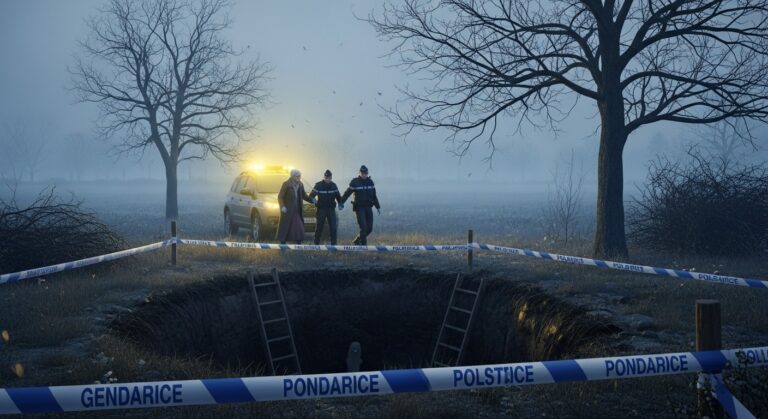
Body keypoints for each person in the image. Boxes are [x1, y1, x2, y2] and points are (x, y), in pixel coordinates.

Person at [340, 165, 380, 245]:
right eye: (362, 173)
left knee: (369, 228)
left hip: (368, 207)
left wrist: (378, 207)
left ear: (367, 173)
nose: (364, 175)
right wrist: (341, 202)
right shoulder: (354, 182)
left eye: (365, 173)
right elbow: (347, 193)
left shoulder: (370, 182)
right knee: (363, 227)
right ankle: (363, 246)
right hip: (359, 207)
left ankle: (357, 240)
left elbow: (374, 196)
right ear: (359, 173)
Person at [276, 169, 314, 244]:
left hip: (297, 209)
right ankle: (283, 243)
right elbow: (280, 197)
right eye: (297, 176)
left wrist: (312, 200)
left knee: (298, 225)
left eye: (300, 176)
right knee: (286, 226)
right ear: (293, 176)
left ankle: (298, 242)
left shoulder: (300, 184)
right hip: (288, 210)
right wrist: (282, 206)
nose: (299, 178)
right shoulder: (286, 184)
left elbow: (304, 195)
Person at [309, 169, 343, 245]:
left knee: (333, 227)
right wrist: (313, 200)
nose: (328, 179)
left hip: (331, 209)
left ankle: (334, 245)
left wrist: (341, 204)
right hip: (321, 209)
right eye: (326, 178)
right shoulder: (318, 185)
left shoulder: (334, 185)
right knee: (319, 227)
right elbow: (311, 195)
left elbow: (338, 196)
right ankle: (316, 244)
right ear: (324, 177)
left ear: (331, 178)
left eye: (329, 178)